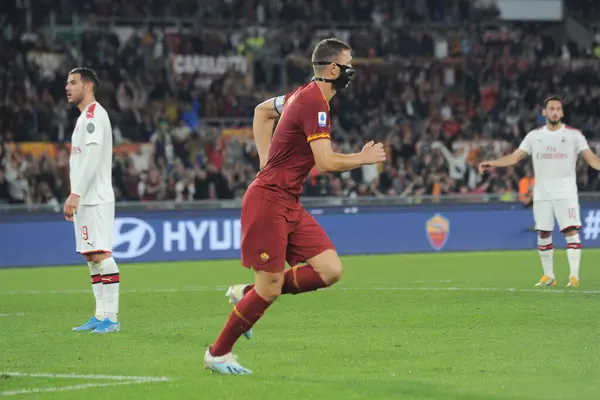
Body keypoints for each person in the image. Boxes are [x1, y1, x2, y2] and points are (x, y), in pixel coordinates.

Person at [203, 38, 386, 375]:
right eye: (348, 64)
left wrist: (264, 159)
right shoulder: (314, 104)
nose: (351, 71)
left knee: (329, 270)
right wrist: (363, 157)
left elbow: (261, 112)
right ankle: (217, 353)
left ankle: (247, 294)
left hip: (288, 201)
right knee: (270, 287)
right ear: (334, 69)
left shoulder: (296, 97)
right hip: (268, 202)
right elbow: (326, 162)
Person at [479, 95, 600, 288]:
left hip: (565, 192)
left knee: (571, 231)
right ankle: (548, 276)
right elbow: (515, 157)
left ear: (562, 112)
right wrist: (493, 163)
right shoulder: (534, 136)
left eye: (558, 109)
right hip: (542, 193)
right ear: (544, 112)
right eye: (551, 108)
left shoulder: (573, 135)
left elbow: (591, 159)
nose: (555, 112)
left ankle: (574, 277)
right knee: (543, 233)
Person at [63, 67, 120, 333]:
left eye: (73, 82)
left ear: (88, 86)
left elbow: (93, 158)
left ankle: (112, 317)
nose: (68, 87)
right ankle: (99, 315)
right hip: (86, 197)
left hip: (95, 197)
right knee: (90, 257)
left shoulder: (95, 116)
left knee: (101, 253)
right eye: (67, 83)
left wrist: (76, 193)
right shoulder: (84, 117)